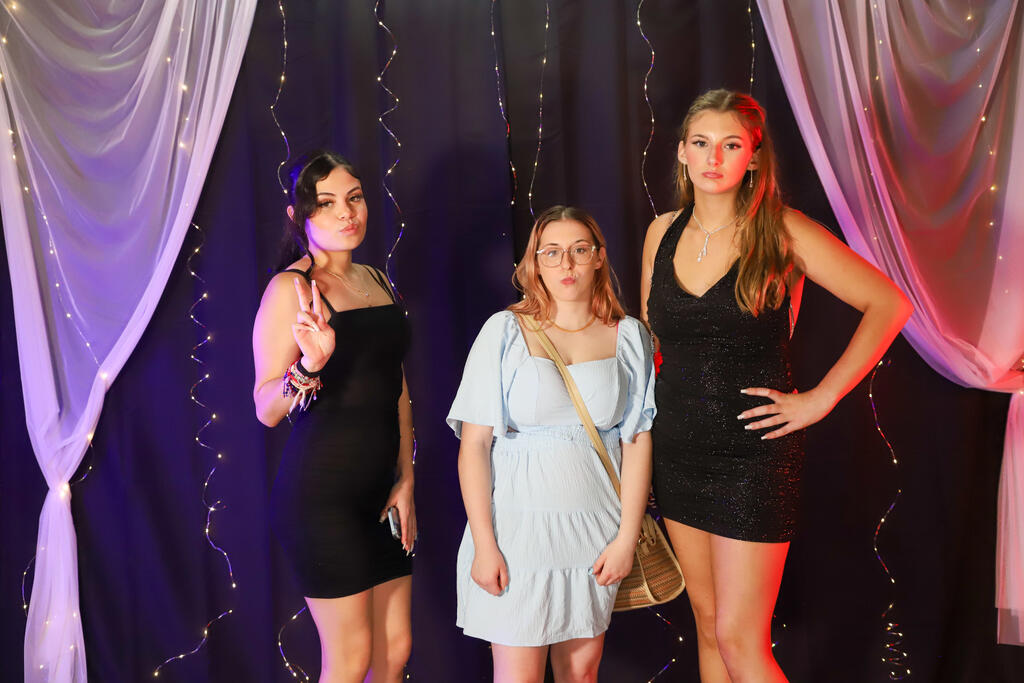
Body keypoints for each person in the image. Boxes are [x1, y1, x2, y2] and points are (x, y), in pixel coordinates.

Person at [641, 90, 913, 682]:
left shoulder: (781, 229)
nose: (714, 158)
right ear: (682, 153)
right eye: (702, 143)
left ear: (754, 157)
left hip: (753, 456)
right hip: (677, 452)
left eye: (731, 145)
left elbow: (890, 303)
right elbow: (651, 344)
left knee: (740, 640)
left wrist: (822, 398)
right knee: (708, 628)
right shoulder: (661, 233)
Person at [448, 206, 656, 683]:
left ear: (599, 257)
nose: (567, 264)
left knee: (581, 674)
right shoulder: (504, 330)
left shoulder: (629, 336)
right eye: (552, 252)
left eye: (579, 250)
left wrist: (626, 539)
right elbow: (474, 445)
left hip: (595, 528)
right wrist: (484, 544)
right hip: (516, 531)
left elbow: (637, 440)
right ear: (535, 262)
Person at [252, 151, 416, 683]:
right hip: (321, 498)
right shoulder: (292, 289)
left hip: (381, 493)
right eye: (326, 203)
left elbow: (396, 387)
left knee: (395, 650)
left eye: (355, 198)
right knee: (351, 659)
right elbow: (265, 408)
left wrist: (406, 479)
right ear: (299, 215)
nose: (347, 212)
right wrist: (309, 365)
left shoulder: (376, 279)